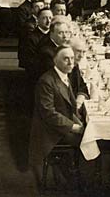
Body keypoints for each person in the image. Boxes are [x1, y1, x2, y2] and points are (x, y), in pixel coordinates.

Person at [28, 46, 86, 182]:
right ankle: (77, 175)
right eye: (66, 59)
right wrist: (75, 127)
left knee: (90, 133)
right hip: (49, 131)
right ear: (55, 61)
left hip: (60, 124)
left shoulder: (63, 75)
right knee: (89, 140)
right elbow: (49, 114)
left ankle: (73, 170)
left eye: (72, 58)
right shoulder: (46, 81)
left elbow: (67, 107)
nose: (71, 63)